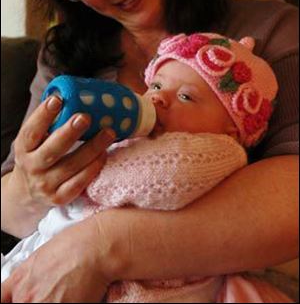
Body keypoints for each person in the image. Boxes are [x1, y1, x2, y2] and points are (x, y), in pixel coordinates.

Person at [1, 0, 298, 302]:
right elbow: (12, 211)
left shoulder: (270, 33)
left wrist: (102, 247)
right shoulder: (63, 59)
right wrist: (30, 184)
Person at [4, 32, 292, 303]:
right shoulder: (138, 137)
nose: (158, 98)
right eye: (156, 85)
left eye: (186, 96)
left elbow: (161, 178)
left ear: (230, 130)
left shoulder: (216, 152)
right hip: (48, 254)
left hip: (143, 282)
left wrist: (90, 169)